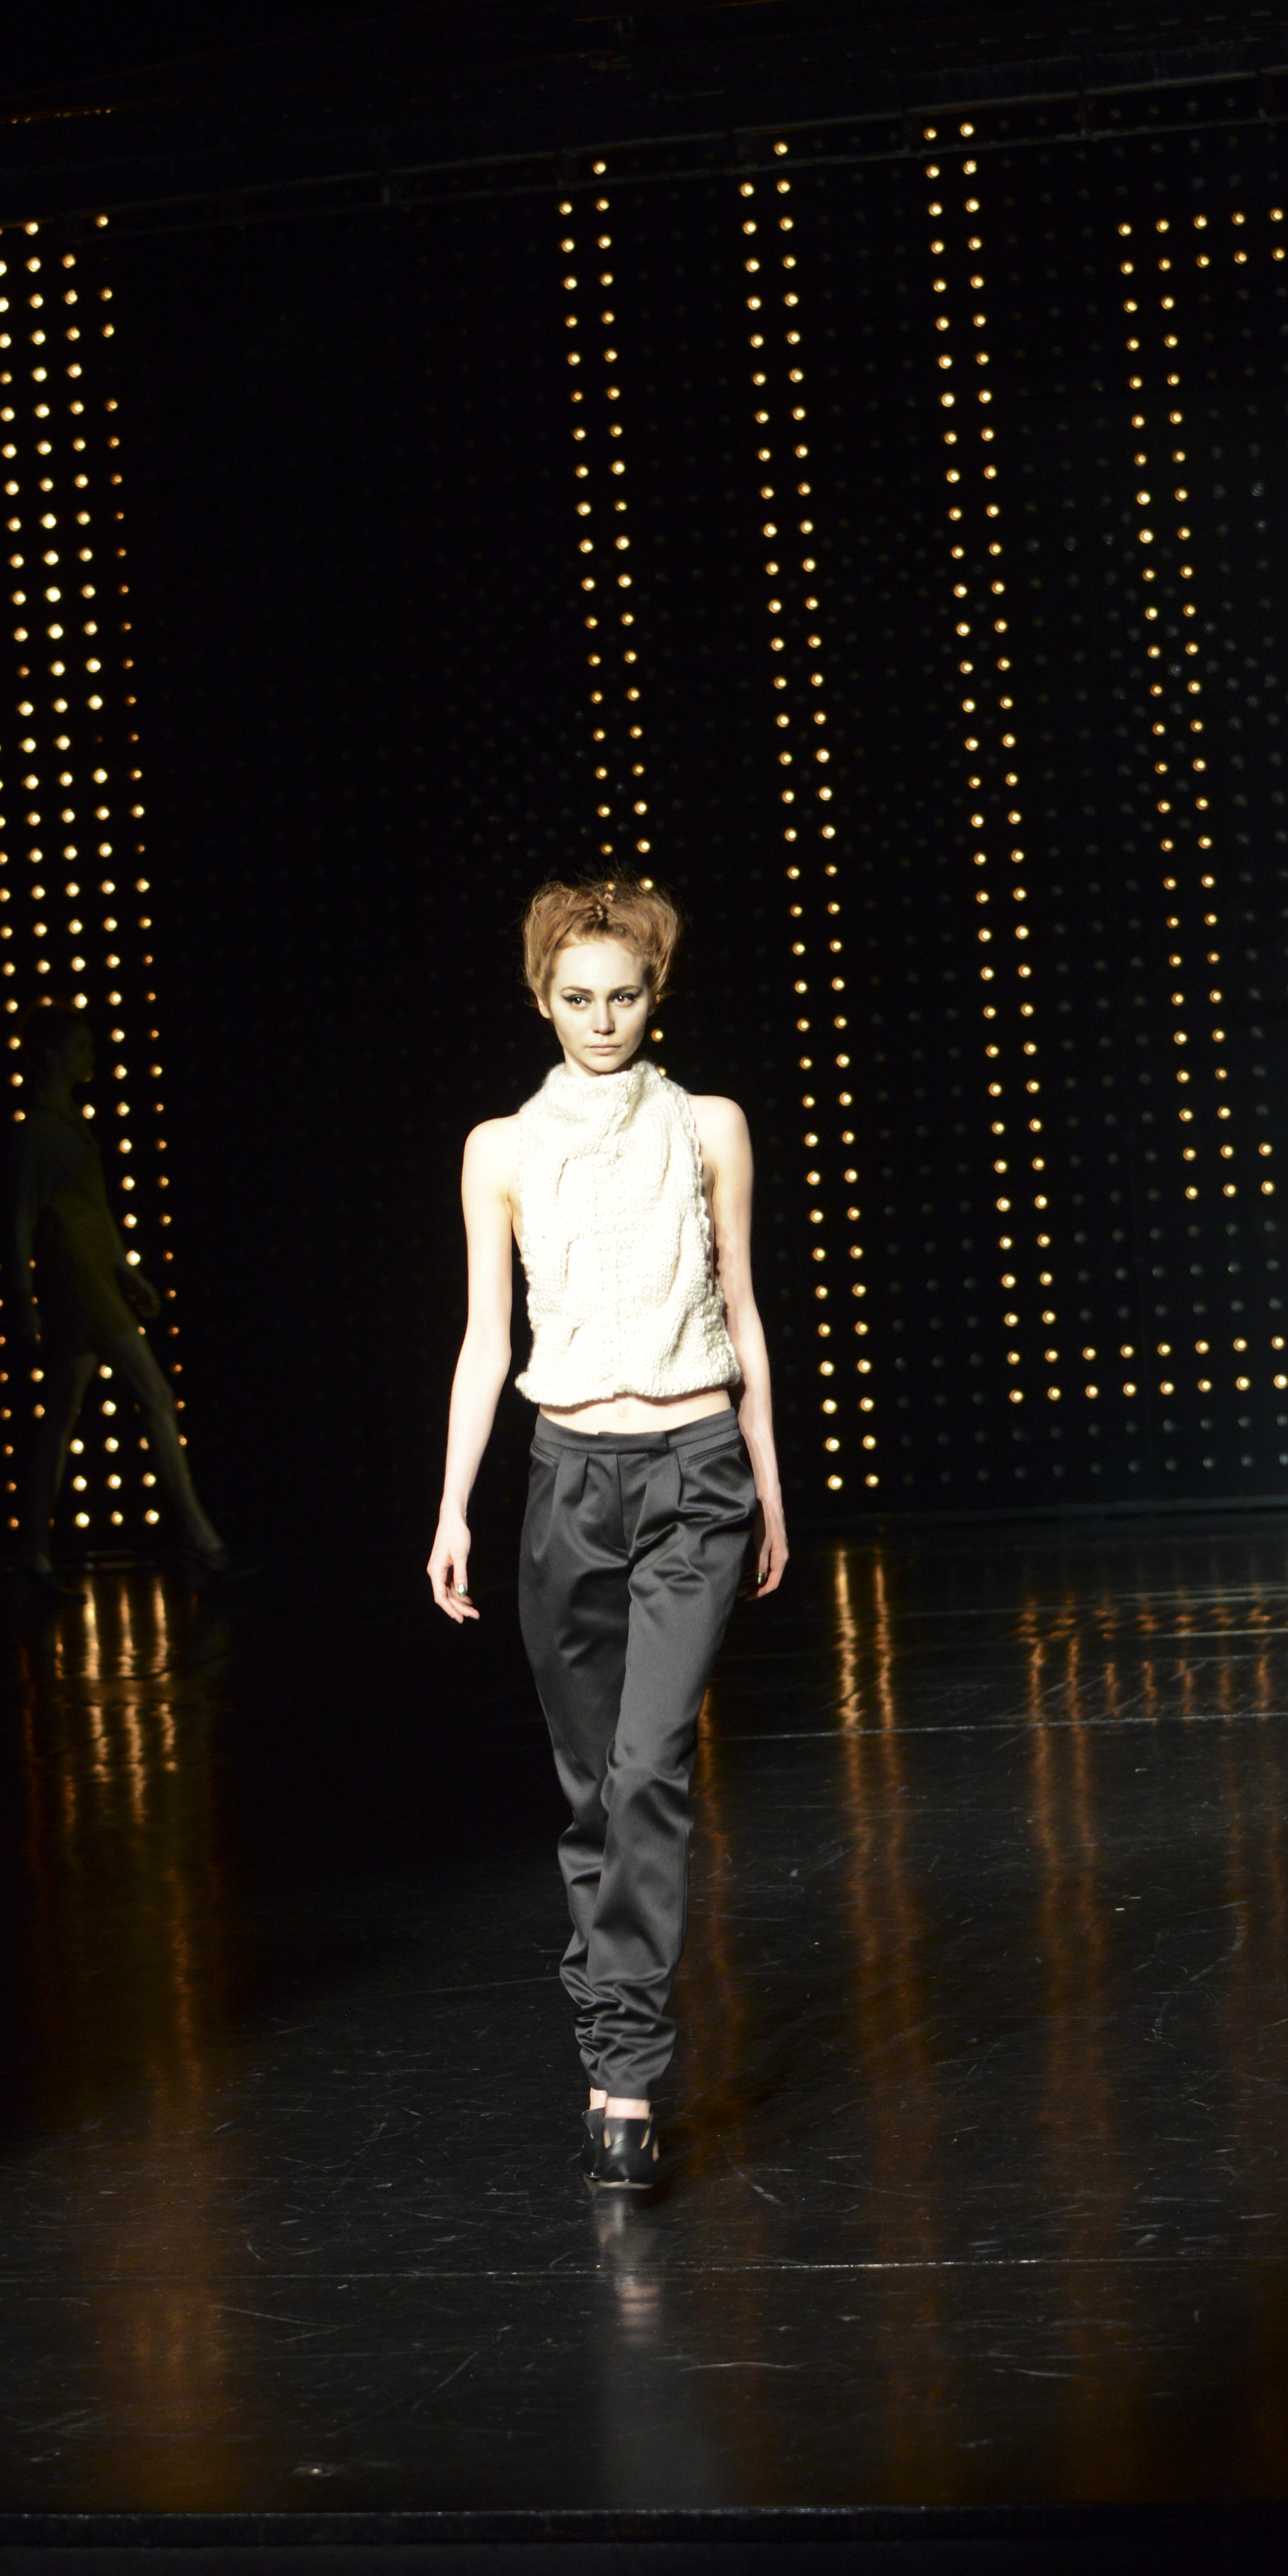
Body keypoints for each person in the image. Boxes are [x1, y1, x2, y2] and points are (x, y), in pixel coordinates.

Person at [427, 877, 788, 2196]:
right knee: (591, 1790)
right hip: (565, 1479)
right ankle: (608, 2029)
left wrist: (768, 1482)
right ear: (541, 997)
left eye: (623, 995)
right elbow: (487, 1337)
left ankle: (624, 2076)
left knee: (646, 1769)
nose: (601, 1018)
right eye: (576, 996)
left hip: (694, 1471)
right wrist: (454, 1502)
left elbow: (739, 1307)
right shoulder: (500, 1150)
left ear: (655, 994)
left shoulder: (708, 1126)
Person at [7, 999, 231, 1585]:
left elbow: (95, 1211)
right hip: (75, 1281)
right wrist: (24, 1299)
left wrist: (126, 1272)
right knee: (154, 1395)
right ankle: (204, 1543)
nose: (91, 1056)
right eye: (80, 1047)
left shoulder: (67, 1123)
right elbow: (20, 1218)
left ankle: (32, 1552)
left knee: (60, 1419)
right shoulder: (38, 1132)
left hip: (89, 1278)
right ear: (53, 1057)